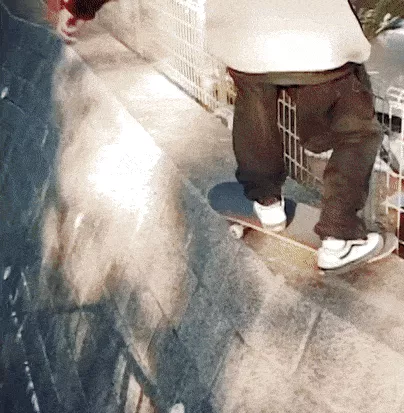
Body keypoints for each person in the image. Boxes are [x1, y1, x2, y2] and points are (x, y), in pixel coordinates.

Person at [52, 0, 385, 271]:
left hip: (245, 38)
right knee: (356, 130)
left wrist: (80, 7)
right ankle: (339, 236)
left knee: (254, 104)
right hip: (320, 38)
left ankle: (267, 203)